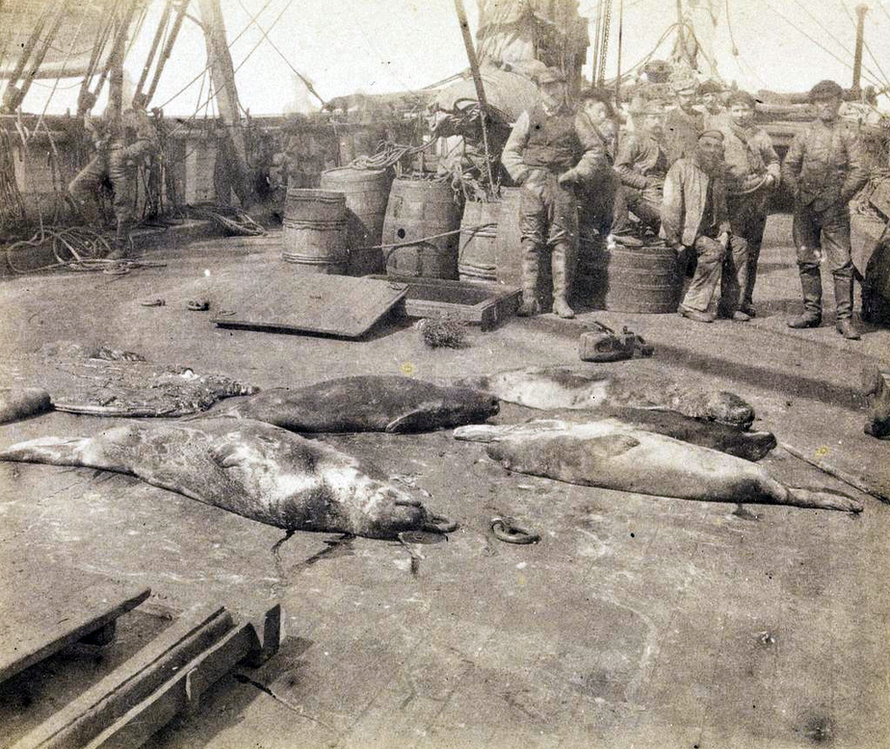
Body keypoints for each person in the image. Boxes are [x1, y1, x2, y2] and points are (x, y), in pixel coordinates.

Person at [501, 67, 600, 319]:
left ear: (564, 87)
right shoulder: (530, 116)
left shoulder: (576, 117)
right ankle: (529, 298)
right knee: (530, 240)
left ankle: (560, 301)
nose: (552, 91)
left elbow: (595, 151)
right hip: (533, 185)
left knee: (563, 242)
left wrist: (575, 174)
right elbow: (510, 151)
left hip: (562, 184)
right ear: (539, 89)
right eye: (546, 86)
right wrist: (524, 175)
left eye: (556, 85)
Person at [781, 79, 868, 339]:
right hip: (805, 208)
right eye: (820, 101)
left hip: (835, 210)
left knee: (841, 265)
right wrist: (797, 192)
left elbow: (860, 170)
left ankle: (844, 319)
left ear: (839, 103)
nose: (826, 105)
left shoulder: (848, 133)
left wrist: (840, 197)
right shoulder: (805, 133)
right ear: (814, 105)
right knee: (807, 260)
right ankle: (811, 313)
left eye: (830, 100)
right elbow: (789, 166)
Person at [663, 129, 748, 323]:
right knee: (714, 251)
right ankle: (691, 305)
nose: (712, 150)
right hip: (685, 232)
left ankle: (729, 306)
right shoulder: (681, 167)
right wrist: (674, 241)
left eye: (716, 147)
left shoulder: (718, 173)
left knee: (740, 246)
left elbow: (722, 209)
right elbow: (670, 207)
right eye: (707, 145)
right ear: (697, 147)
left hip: (709, 231)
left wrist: (725, 231)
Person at [68, 104, 158, 260]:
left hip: (122, 161)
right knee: (76, 187)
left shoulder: (136, 113)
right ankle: (98, 234)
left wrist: (125, 154)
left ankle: (120, 247)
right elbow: (97, 135)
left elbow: (149, 142)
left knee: (122, 204)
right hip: (103, 157)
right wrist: (95, 137)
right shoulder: (108, 110)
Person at [720, 90, 781, 318]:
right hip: (734, 198)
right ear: (729, 111)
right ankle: (731, 304)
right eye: (736, 109)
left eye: (745, 109)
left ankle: (746, 300)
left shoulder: (761, 135)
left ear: (752, 111)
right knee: (736, 250)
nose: (741, 114)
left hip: (758, 199)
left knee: (753, 252)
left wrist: (773, 175)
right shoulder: (723, 134)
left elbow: (773, 159)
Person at [612, 99, 670, 235]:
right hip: (644, 190)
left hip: (663, 187)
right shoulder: (634, 139)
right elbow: (619, 169)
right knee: (667, 222)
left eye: (660, 118)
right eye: (653, 117)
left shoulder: (662, 140)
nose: (657, 121)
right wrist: (644, 183)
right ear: (644, 119)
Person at [573, 87, 619, 239]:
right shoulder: (580, 123)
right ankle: (612, 231)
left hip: (584, 179)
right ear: (587, 107)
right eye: (600, 111)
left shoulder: (589, 127)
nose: (603, 116)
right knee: (612, 179)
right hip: (577, 180)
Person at [664, 79, 704, 164]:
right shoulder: (669, 116)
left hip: (695, 161)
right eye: (684, 96)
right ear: (677, 97)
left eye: (691, 96)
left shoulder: (699, 116)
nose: (688, 99)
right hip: (674, 162)